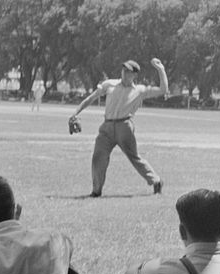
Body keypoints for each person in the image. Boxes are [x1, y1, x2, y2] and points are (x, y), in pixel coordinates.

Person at [68, 57, 168, 197]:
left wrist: (160, 69)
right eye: (123, 70)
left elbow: (163, 89)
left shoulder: (140, 90)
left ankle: (156, 181)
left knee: (134, 158)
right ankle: (96, 190)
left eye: (128, 71)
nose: (124, 73)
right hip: (107, 127)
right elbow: (91, 98)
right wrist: (75, 113)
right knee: (98, 156)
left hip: (124, 126)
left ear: (134, 75)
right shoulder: (109, 84)